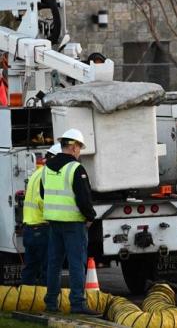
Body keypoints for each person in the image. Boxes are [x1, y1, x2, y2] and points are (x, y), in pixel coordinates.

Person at [41, 129, 97, 315]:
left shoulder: (47, 167)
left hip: (54, 223)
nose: (79, 151)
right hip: (73, 224)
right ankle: (77, 304)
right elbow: (84, 198)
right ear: (73, 147)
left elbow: (44, 193)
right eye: (79, 147)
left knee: (54, 264)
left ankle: (51, 302)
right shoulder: (75, 168)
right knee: (76, 263)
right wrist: (90, 217)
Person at [20, 143, 61, 285]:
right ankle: (46, 302)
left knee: (30, 268)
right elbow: (43, 201)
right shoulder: (48, 175)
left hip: (30, 228)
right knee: (48, 269)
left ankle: (25, 300)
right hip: (42, 229)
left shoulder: (37, 173)